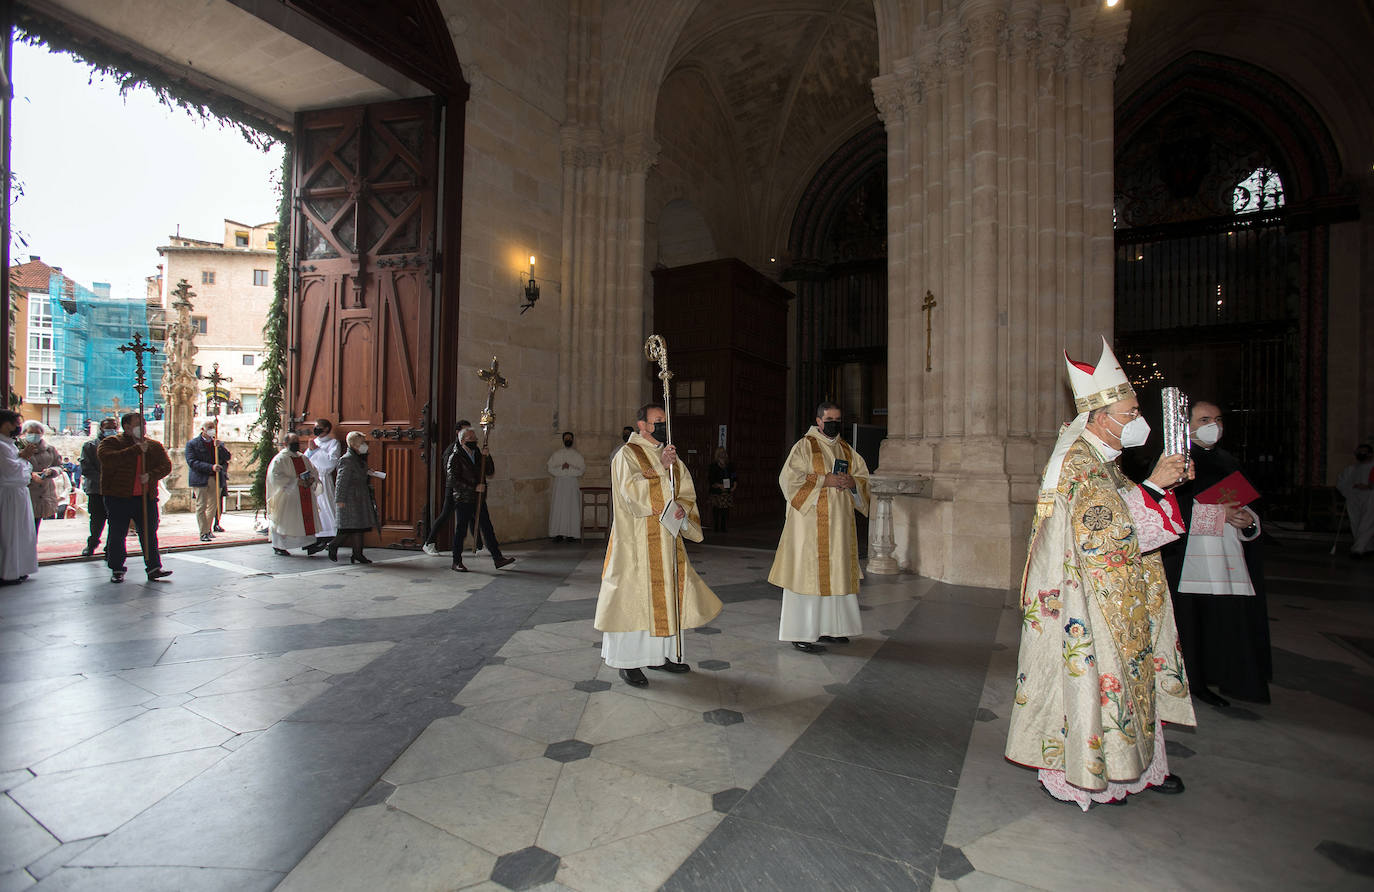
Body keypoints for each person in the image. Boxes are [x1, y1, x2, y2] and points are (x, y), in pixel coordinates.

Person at [1005, 337, 1196, 810]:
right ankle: (1085, 775)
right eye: (1130, 414)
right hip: (1086, 600)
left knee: (1130, 675)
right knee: (1098, 677)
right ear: (1099, 417)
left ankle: (1132, 767)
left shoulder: (1106, 462)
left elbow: (1133, 516)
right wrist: (1154, 484)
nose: (1138, 422)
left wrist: (1158, 486)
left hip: (1117, 593)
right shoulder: (1077, 463)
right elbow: (1100, 533)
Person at [594, 404, 722, 686]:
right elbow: (631, 493)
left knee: (665, 598)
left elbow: (686, 492)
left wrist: (682, 510)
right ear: (642, 425)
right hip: (635, 543)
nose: (662, 425)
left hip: (666, 542)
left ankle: (660, 656)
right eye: (657, 421)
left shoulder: (672, 456)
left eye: (664, 420)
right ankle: (628, 663)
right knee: (633, 600)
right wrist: (661, 468)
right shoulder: (627, 454)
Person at [1160, 401, 1271, 706]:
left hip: (1228, 557)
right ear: (1188, 425)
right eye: (1205, 419)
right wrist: (1218, 513)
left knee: (1226, 620)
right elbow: (1168, 510)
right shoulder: (1174, 462)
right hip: (1188, 558)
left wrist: (1248, 520)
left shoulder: (1228, 461)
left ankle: (1229, 676)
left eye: (1218, 419)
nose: (1214, 425)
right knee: (1191, 621)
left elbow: (1246, 505)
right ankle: (1192, 680)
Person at [768, 404, 870, 653]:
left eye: (838, 419)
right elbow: (789, 479)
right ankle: (801, 633)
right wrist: (826, 480)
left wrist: (852, 483)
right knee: (808, 577)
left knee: (837, 574)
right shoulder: (805, 446)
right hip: (809, 528)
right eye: (829, 419)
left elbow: (864, 480)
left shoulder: (846, 449)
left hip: (839, 530)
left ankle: (831, 629)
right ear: (818, 421)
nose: (834, 423)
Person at [98, 412, 173, 584]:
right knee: (118, 533)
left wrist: (151, 475)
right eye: (138, 424)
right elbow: (107, 460)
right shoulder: (111, 443)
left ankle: (154, 567)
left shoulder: (153, 446)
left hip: (146, 497)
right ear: (126, 426)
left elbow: (166, 466)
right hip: (118, 496)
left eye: (144, 423)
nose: (143, 427)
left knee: (149, 533)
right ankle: (117, 568)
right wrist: (135, 450)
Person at [446, 426, 516, 572]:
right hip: (464, 499)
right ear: (463, 440)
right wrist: (473, 488)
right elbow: (452, 481)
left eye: (475, 439)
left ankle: (498, 558)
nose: (474, 441)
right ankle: (456, 561)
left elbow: (489, 471)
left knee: (487, 528)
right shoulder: (455, 456)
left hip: (478, 499)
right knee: (461, 530)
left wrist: (487, 456)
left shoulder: (477, 453)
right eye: (471, 439)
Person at [265, 432, 328, 556]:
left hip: (304, 495)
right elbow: (275, 477)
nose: (296, 445)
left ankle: (309, 545)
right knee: (285, 521)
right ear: (285, 444)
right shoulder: (280, 459)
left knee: (304, 520)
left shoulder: (303, 457)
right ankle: (279, 546)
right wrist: (296, 481)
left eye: (297, 442)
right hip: (288, 497)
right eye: (293, 442)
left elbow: (313, 471)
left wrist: (311, 479)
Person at [422, 419, 471, 555]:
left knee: (472, 515)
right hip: (453, 488)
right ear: (458, 433)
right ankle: (429, 542)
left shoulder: (468, 449)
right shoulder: (451, 450)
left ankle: (478, 546)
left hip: (466, 489)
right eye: (465, 431)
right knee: (445, 514)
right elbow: (450, 473)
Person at [332, 431, 382, 563]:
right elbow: (341, 481)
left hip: (360, 497)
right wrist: (340, 499)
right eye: (362, 443)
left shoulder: (358, 459)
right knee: (348, 527)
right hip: (350, 498)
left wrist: (367, 472)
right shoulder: (346, 459)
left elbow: (357, 473)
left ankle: (358, 553)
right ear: (354, 444)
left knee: (359, 527)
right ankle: (333, 545)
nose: (365, 445)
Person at [0, 411, 38, 585]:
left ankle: (20, 568)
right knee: (10, 533)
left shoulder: (10, 444)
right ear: (4, 423)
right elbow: (11, 470)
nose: (17, 427)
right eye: (14, 423)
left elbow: (26, 469)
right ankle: (7, 572)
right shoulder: (1, 445)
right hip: (8, 494)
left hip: (19, 492)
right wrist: (24, 457)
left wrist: (23, 458)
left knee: (23, 532)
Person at [186, 420, 231, 542]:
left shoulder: (217, 443)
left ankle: (208, 529)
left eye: (213, 427)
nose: (212, 429)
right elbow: (192, 462)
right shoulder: (192, 444)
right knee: (201, 505)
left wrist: (220, 447)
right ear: (203, 429)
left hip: (216, 478)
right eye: (209, 427)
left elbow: (227, 457)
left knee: (213, 505)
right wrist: (210, 467)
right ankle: (203, 532)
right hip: (200, 478)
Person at [79, 417, 119, 556]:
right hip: (96, 489)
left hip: (116, 489)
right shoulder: (90, 446)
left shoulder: (120, 445)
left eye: (114, 427)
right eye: (108, 427)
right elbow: (86, 468)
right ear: (101, 428)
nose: (111, 430)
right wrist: (103, 480)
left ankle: (111, 547)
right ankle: (92, 544)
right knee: (97, 519)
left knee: (115, 520)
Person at [304, 418, 342, 550]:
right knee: (315, 508)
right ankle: (316, 535)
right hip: (312, 479)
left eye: (318, 427)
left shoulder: (333, 443)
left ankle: (331, 535)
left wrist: (317, 451)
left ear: (326, 429)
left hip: (324, 478)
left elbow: (331, 463)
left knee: (326, 506)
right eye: (315, 426)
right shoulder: (313, 442)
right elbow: (306, 461)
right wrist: (310, 451)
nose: (316, 429)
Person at [20, 421, 62, 530]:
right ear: (24, 433)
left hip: (44, 492)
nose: (34, 435)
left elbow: (59, 466)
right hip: (26, 491)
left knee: (35, 525)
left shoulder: (50, 449)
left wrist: (51, 471)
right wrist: (30, 475)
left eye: (37, 433)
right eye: (31, 432)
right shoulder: (19, 448)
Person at [1336, 442, 1374, 557]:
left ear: (1370, 454)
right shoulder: (1351, 469)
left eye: (1363, 452)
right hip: (1354, 499)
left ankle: (1358, 549)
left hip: (1371, 498)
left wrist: (1367, 487)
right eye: (1358, 452)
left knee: (1367, 523)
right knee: (1356, 523)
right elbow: (1341, 483)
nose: (1360, 454)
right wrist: (1351, 490)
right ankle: (1368, 547)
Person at [547, 430, 586, 541]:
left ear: (572, 440)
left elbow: (581, 470)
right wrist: (562, 468)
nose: (568, 440)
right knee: (558, 508)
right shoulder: (557, 454)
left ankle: (571, 534)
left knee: (571, 508)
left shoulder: (577, 455)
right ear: (563, 440)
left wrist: (569, 468)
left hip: (572, 484)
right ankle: (558, 533)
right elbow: (550, 468)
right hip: (559, 484)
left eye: (569, 438)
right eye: (566, 438)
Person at [707, 448, 738, 534]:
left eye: (724, 453)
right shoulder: (713, 466)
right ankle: (716, 526)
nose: (723, 455)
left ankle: (724, 526)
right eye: (720, 453)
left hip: (727, 491)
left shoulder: (730, 465)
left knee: (726, 510)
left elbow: (734, 476)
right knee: (716, 509)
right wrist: (720, 486)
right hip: (717, 491)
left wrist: (734, 485)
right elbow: (711, 479)